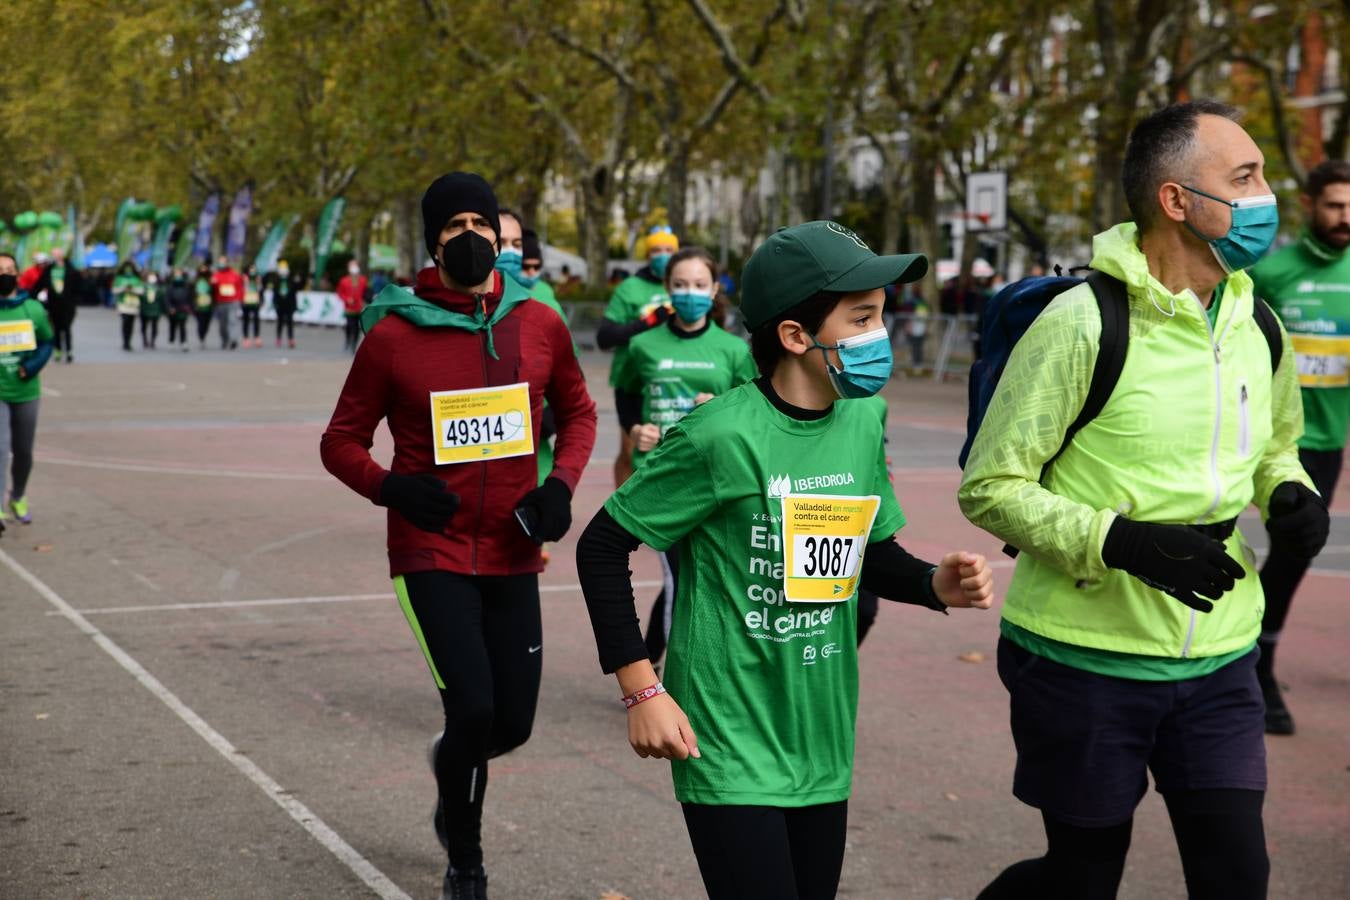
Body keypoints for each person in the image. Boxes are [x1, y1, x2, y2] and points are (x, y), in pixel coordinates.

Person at [958, 100, 1328, 900]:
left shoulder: (1257, 319)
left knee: (1237, 876)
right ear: (1175, 200)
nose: (1268, 195)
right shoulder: (1083, 323)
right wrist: (1120, 542)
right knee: (1081, 877)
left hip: (1222, 653)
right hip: (1082, 655)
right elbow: (990, 487)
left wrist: (1291, 494)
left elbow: (1277, 445)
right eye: (1246, 177)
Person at [577, 220, 993, 900]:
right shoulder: (720, 436)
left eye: (882, 316)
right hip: (728, 733)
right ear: (796, 337)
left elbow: (865, 546)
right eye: (861, 318)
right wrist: (640, 688)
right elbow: (602, 546)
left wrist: (930, 584)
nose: (879, 335)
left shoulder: (863, 418)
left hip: (821, 730)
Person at [320, 172, 597, 900]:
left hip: (513, 549)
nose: (472, 237)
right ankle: (465, 861)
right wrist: (392, 487)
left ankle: (452, 768)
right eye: (455, 225)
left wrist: (560, 488)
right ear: (433, 241)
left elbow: (580, 414)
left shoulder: (539, 323)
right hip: (430, 551)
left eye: (484, 223)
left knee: (512, 722)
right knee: (471, 707)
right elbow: (340, 441)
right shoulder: (392, 334)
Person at [612, 246, 756, 664]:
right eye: (680, 285)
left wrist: (721, 404)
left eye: (699, 285)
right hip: (660, 474)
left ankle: (648, 655)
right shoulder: (642, 345)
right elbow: (626, 393)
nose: (689, 292)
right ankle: (675, 682)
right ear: (667, 289)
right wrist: (636, 429)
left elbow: (753, 407)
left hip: (716, 477)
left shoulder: (733, 350)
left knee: (696, 577)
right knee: (678, 575)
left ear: (714, 291)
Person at [1249, 158, 1350, 735]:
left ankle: (1257, 656)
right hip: (1266, 439)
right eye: (1335, 205)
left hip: (1327, 442)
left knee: (1294, 554)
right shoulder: (1273, 274)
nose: (1344, 217)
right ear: (1311, 204)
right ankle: (1245, 666)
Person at [598, 225, 679, 488]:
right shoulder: (630, 288)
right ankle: (620, 508)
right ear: (647, 254)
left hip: (675, 379)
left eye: (669, 250)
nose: (663, 255)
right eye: (656, 250)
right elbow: (605, 337)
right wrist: (648, 322)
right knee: (631, 449)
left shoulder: (683, 284)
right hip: (633, 380)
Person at [0, 253, 53, 533]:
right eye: (0, 270)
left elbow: (46, 342)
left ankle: (18, 496)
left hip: (25, 390)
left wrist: (31, 366)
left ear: (17, 273)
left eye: (9, 269)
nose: (4, 274)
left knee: (23, 451)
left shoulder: (32, 309)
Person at [31, 247, 80, 364]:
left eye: (58, 254)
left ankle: (69, 351)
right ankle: (58, 350)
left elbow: (79, 285)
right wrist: (30, 297)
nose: (56, 257)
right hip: (54, 304)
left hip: (68, 304)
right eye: (54, 255)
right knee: (57, 329)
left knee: (67, 327)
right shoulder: (49, 269)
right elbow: (39, 285)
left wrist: (75, 299)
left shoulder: (70, 269)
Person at [210, 255, 244, 350]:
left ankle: (233, 339)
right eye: (220, 261)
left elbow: (240, 288)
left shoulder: (234, 275)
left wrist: (240, 299)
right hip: (221, 302)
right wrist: (213, 284)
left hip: (233, 301)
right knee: (222, 324)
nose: (222, 263)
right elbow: (212, 290)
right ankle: (225, 340)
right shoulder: (215, 275)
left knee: (232, 321)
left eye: (223, 261)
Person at [268, 260, 302, 348]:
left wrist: (298, 280)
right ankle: (278, 338)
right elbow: (274, 293)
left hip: (289, 304)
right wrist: (274, 303)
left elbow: (296, 289)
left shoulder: (291, 279)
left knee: (290, 322)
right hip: (280, 304)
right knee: (280, 322)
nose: (283, 270)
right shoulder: (276, 280)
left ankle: (291, 339)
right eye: (281, 268)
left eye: (285, 268)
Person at [113, 261, 145, 352]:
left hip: (133, 304)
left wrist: (132, 289)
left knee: (131, 324)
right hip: (123, 304)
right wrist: (123, 288)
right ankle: (125, 341)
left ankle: (128, 342)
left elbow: (141, 291)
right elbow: (115, 290)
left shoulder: (136, 279)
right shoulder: (119, 278)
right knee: (125, 322)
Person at [337, 260, 367, 352]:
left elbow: (366, 292)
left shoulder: (363, 280)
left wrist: (364, 300)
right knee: (349, 325)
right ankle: (348, 340)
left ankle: (354, 344)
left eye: (355, 266)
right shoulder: (344, 281)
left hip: (359, 308)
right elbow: (340, 293)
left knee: (356, 327)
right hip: (349, 308)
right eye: (352, 266)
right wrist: (347, 299)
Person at [165, 267, 193, 352]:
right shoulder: (170, 287)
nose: (178, 276)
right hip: (173, 309)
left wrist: (189, 306)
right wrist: (169, 307)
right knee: (172, 326)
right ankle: (171, 341)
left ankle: (183, 342)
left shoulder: (186, 286)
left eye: (179, 274)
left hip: (183, 309)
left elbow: (190, 297)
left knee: (182, 326)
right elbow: (167, 298)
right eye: (176, 274)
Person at [140, 270, 164, 349]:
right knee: (144, 326)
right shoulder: (143, 286)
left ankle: (153, 341)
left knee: (154, 326)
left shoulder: (158, 288)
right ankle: (145, 340)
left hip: (155, 309)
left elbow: (162, 299)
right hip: (144, 309)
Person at [241, 265, 263, 348]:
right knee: (246, 320)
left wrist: (259, 282)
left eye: (254, 269)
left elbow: (260, 290)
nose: (252, 271)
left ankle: (257, 337)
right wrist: (245, 281)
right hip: (246, 302)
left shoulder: (257, 278)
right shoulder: (244, 278)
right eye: (251, 269)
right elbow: (241, 289)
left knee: (256, 319)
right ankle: (246, 338)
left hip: (255, 302)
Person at [193, 264, 214, 349]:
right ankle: (201, 338)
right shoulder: (195, 281)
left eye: (205, 269)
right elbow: (192, 293)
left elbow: (214, 292)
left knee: (207, 323)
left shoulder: (210, 280)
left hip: (209, 305)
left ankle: (204, 335)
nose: (203, 270)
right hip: (198, 306)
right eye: (202, 269)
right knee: (200, 323)